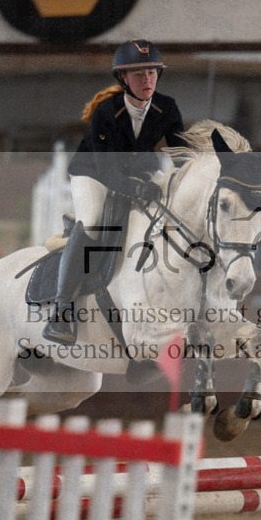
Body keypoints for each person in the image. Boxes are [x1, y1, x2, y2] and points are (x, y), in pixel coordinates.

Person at [45, 38, 186, 345]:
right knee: (94, 222)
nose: (147, 80)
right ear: (124, 78)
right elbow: (108, 172)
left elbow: (180, 153)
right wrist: (136, 187)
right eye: (139, 75)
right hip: (93, 173)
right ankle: (61, 310)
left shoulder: (168, 107)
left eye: (151, 73)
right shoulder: (106, 113)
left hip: (140, 170)